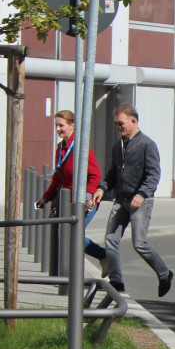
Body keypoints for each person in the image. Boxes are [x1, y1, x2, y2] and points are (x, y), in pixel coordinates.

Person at [93, 104, 174, 297]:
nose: (118, 127)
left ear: (133, 121)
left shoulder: (146, 144)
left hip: (140, 202)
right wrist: (102, 188)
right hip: (121, 200)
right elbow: (113, 173)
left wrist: (142, 194)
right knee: (111, 239)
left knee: (139, 243)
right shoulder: (118, 146)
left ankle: (164, 273)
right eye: (115, 124)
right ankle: (117, 281)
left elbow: (154, 174)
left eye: (120, 123)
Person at [36, 110, 109, 275]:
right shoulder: (61, 148)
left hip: (85, 201)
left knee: (72, 236)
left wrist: (88, 197)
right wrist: (46, 198)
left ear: (72, 125)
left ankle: (103, 256)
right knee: (63, 235)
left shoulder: (81, 148)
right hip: (66, 201)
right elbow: (57, 179)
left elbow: (95, 175)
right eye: (56, 125)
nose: (58, 129)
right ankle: (62, 275)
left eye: (61, 125)